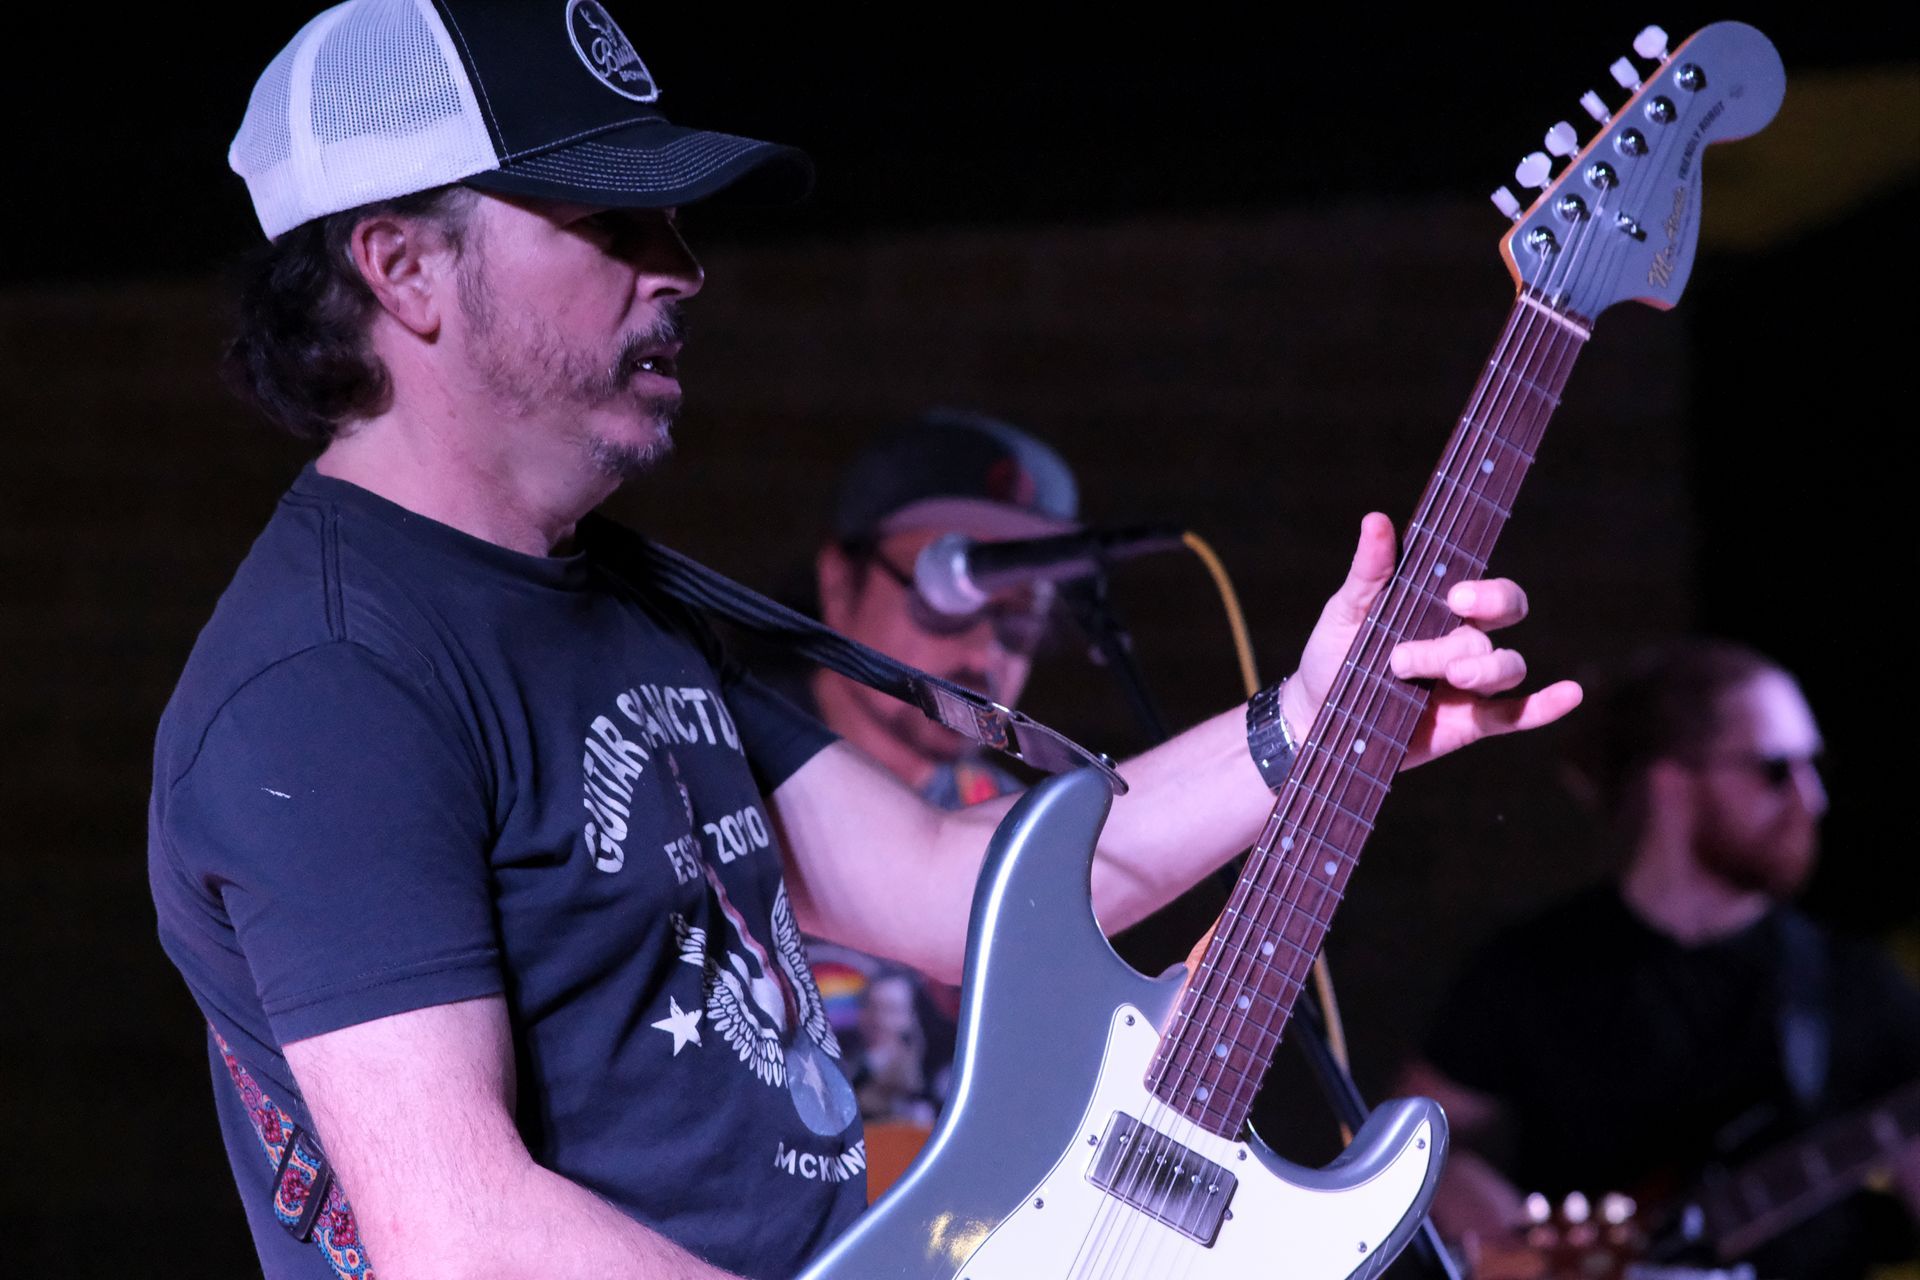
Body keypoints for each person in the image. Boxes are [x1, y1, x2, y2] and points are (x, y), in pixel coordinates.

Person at [147, 4, 1578, 1278]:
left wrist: (1313, 723)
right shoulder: (329, 691)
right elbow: (461, 1238)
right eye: (610, 222)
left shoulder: (617, 595)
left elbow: (961, 891)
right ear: (404, 269)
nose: (683, 269)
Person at [1403, 639, 1920, 1279]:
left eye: (1817, 768)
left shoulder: (1857, 984)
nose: (1811, 800)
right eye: (1777, 769)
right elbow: (1414, 1141)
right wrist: (1515, 1243)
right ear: (1673, 783)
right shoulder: (1534, 966)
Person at [789, 410, 1079, 1126]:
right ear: (839, 581)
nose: (983, 655)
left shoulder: (1021, 830)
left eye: (1022, 619)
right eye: (947, 600)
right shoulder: (725, 777)